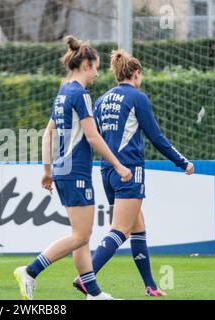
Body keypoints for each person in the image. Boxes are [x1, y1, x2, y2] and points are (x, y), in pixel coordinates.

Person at [13, 36, 132, 300]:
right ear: (86, 64)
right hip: (76, 172)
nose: (97, 73)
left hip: (63, 170)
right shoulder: (80, 94)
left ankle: (93, 293)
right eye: (96, 67)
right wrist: (118, 165)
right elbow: (92, 137)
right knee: (81, 235)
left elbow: (47, 135)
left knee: (82, 235)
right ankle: (30, 271)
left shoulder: (62, 93)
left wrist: (47, 171)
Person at [73, 49, 194, 297]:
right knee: (121, 230)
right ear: (136, 73)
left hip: (107, 171)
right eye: (141, 74)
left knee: (137, 227)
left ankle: (150, 285)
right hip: (129, 171)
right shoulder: (137, 98)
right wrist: (182, 162)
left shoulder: (101, 99)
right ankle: (86, 277)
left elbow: (92, 137)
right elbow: (156, 137)